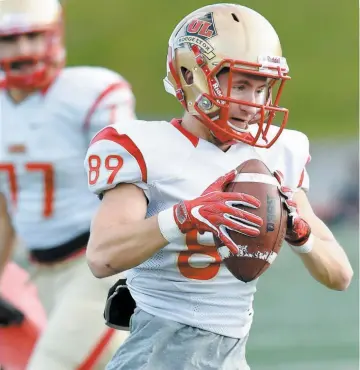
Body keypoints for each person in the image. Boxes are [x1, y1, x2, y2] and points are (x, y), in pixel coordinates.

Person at [84, 4, 353, 370]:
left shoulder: (276, 154)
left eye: (262, 88)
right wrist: (182, 216)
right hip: (157, 354)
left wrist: (301, 235)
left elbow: (340, 275)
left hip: (229, 357)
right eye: (240, 85)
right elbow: (102, 257)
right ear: (190, 75)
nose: (253, 103)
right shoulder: (146, 148)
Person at [0, 0, 135, 368]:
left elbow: (131, 187)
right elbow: (5, 209)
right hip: (42, 271)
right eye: (11, 40)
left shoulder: (90, 94)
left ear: (55, 35)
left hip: (97, 266)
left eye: (33, 36)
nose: (24, 50)